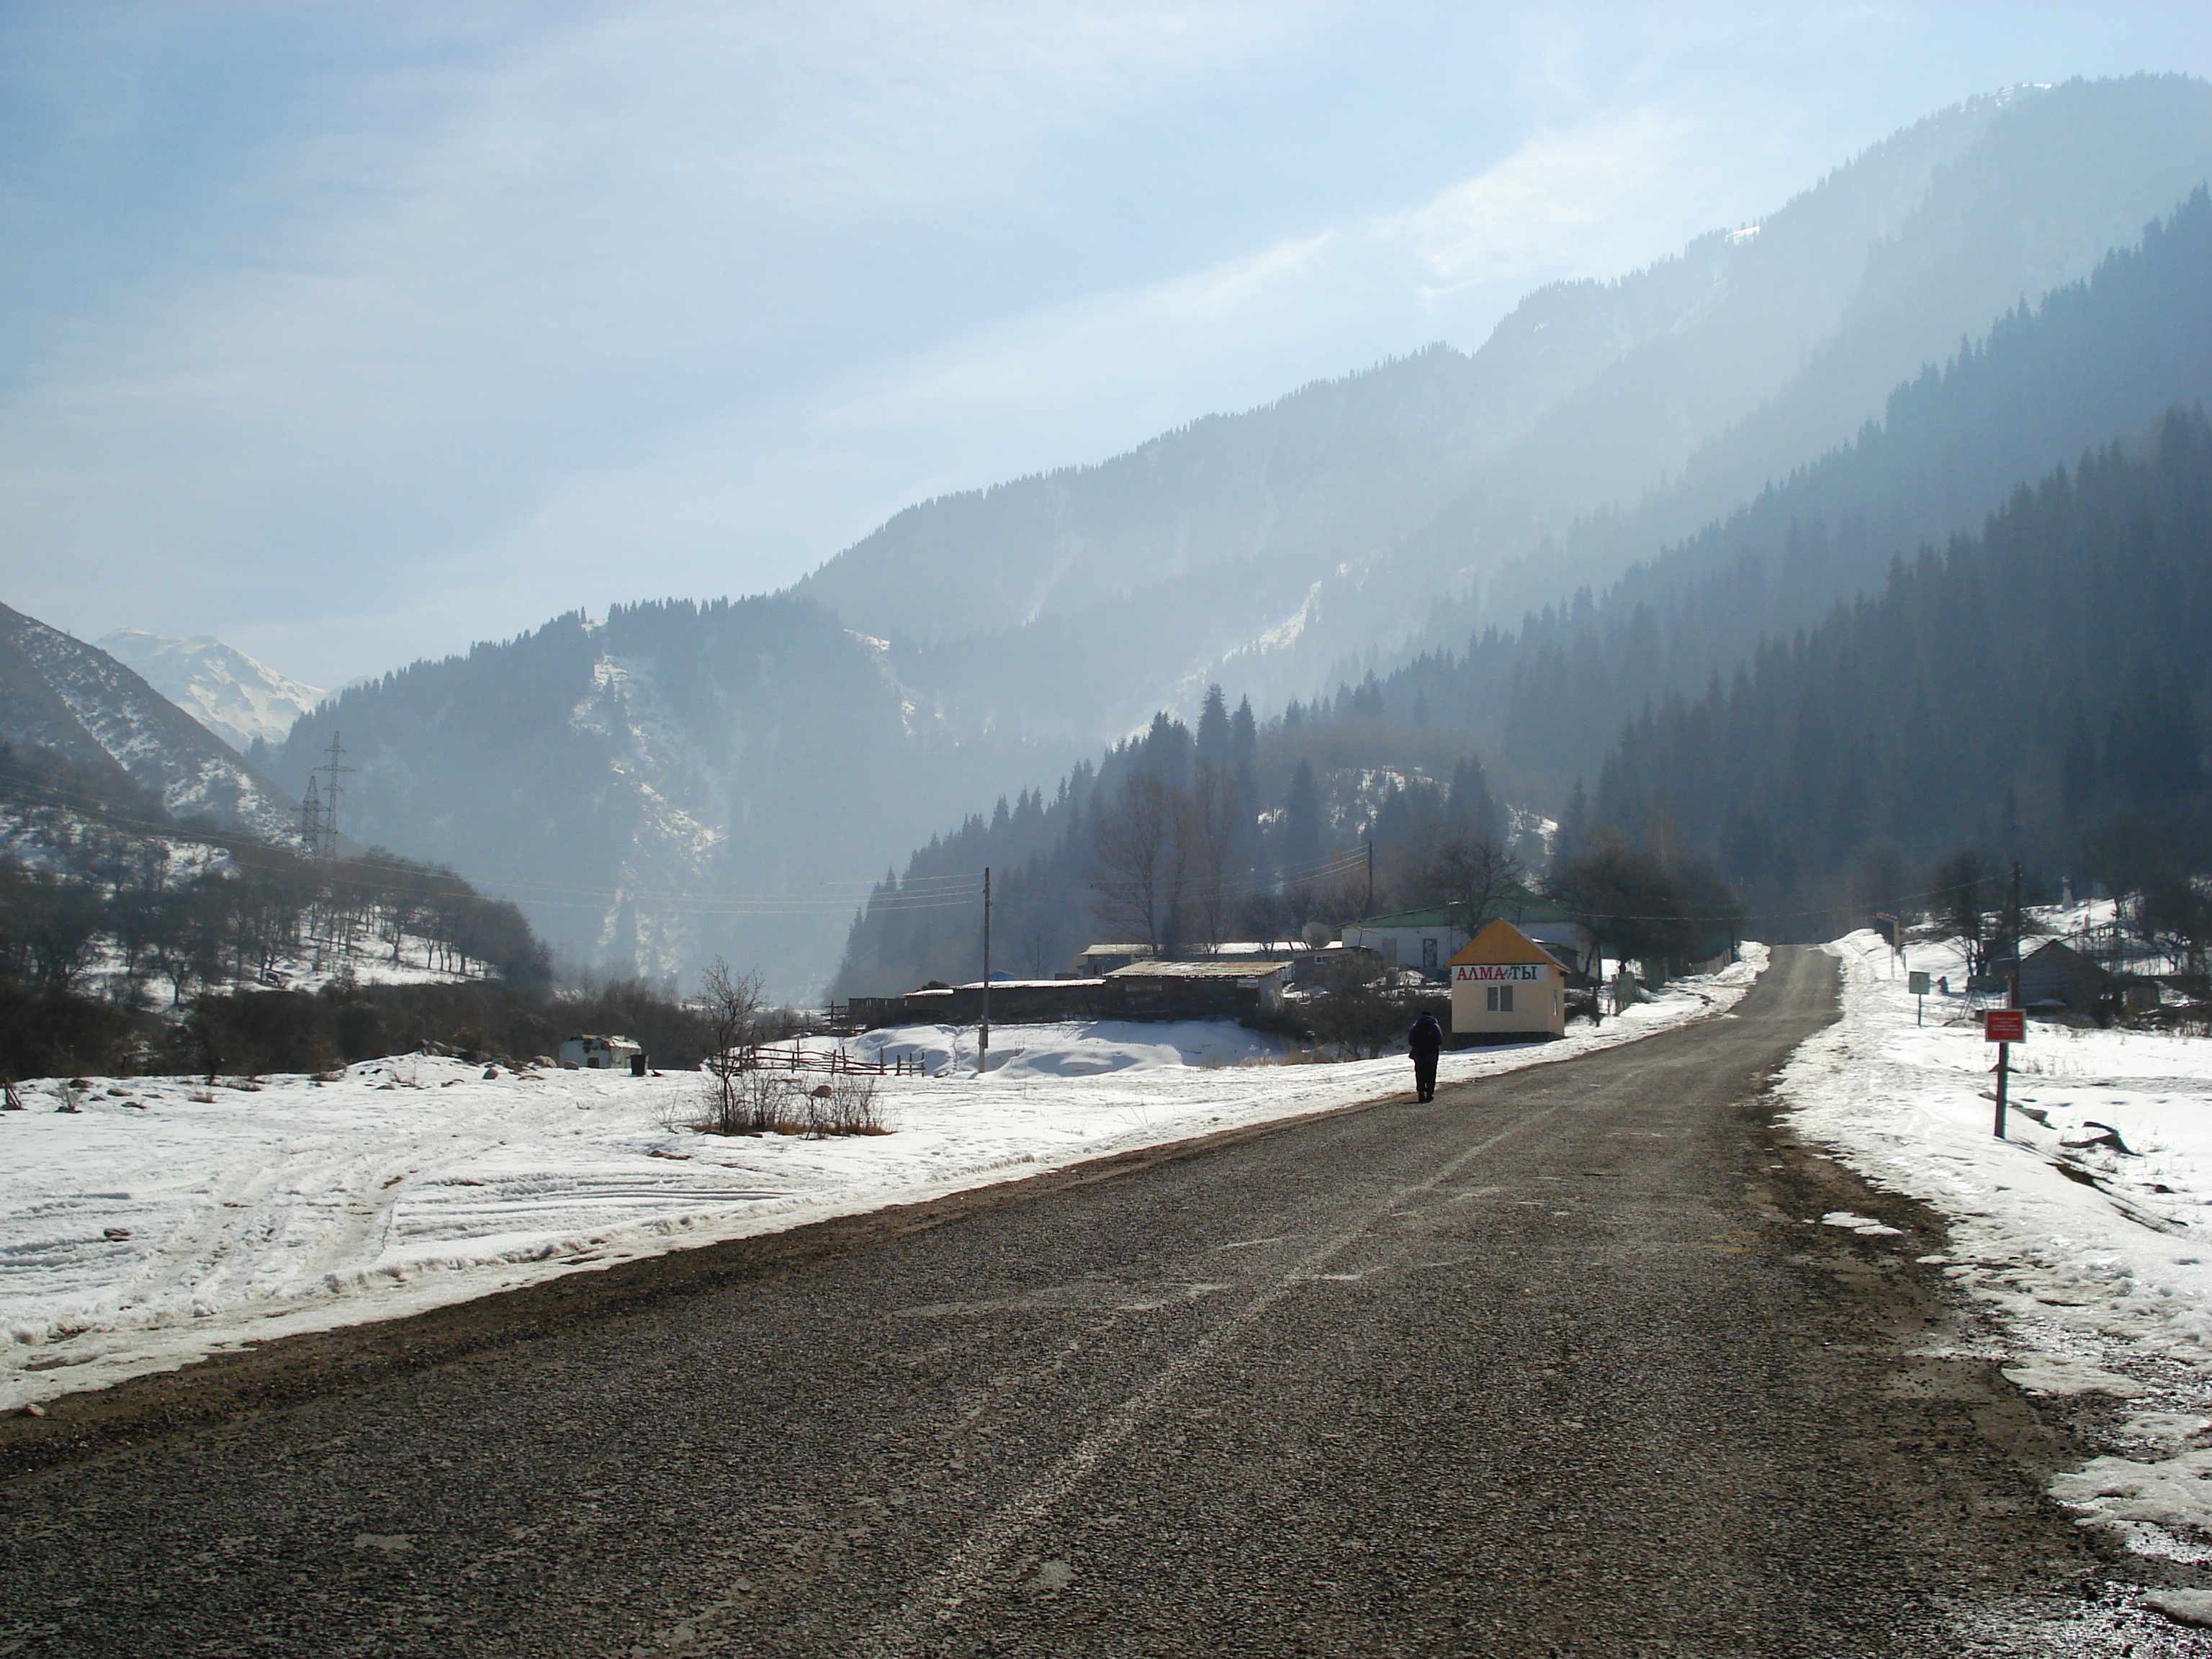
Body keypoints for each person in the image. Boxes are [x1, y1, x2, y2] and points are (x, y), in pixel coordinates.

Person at [1407, 1010, 1444, 1102]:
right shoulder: (1435, 1026)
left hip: (1419, 1054)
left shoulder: (1416, 1027)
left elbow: (1411, 1040)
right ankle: (1429, 1094)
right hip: (1432, 1054)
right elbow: (1439, 1040)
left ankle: (1421, 1093)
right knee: (1431, 1073)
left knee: (1420, 1074)